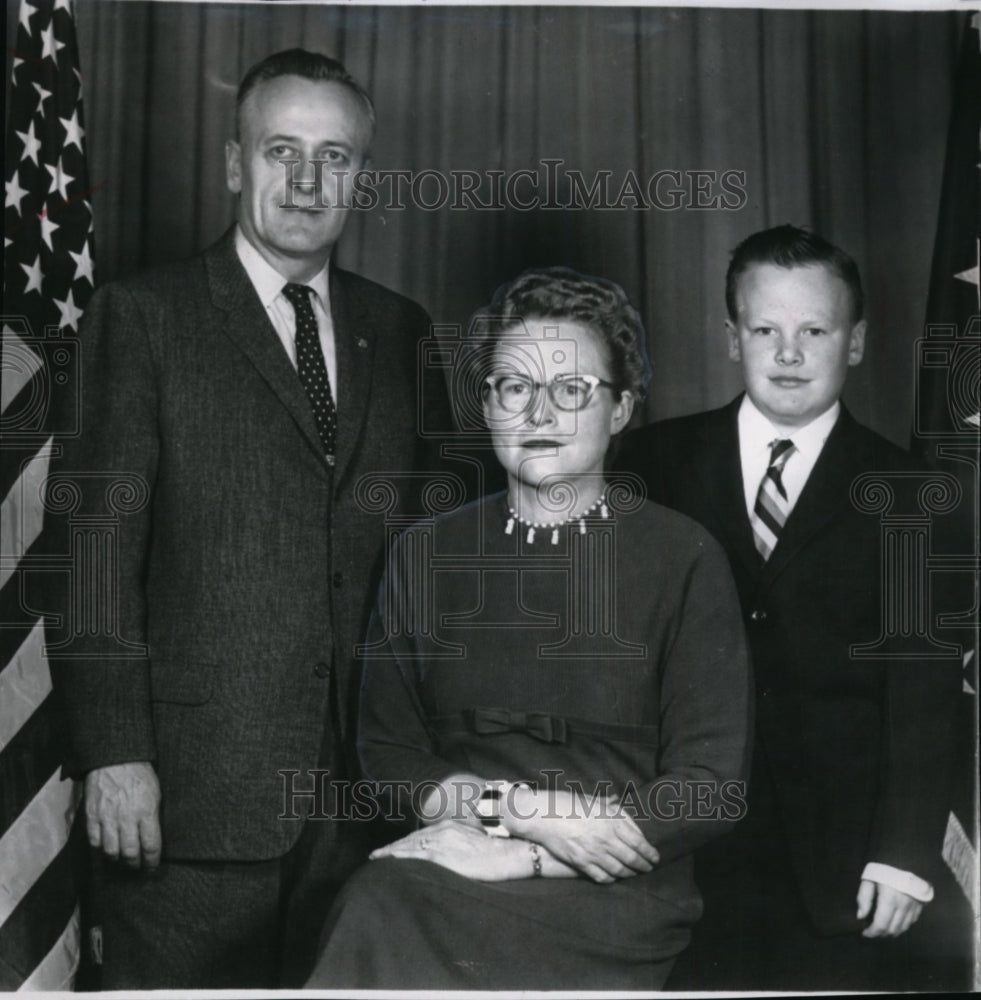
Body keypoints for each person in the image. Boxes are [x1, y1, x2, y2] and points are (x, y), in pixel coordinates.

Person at [45, 49, 448, 988]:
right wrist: (115, 756)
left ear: (360, 176)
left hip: (359, 803)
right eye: (281, 151)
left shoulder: (399, 330)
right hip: (188, 798)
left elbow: (434, 557)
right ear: (235, 165)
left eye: (334, 158)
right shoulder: (143, 319)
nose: (307, 183)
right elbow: (93, 558)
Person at [305, 267, 752, 991]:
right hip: (455, 861)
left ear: (621, 409)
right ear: (487, 405)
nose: (538, 414)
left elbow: (708, 787)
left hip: (617, 890)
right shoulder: (423, 552)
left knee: (381, 907)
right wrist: (513, 812)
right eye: (515, 387)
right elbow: (386, 756)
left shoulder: (684, 556)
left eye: (570, 390)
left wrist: (530, 853)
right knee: (377, 902)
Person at [616, 225, 964, 991]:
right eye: (764, 330)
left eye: (814, 331)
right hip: (678, 846)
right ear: (731, 337)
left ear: (857, 341)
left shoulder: (910, 492)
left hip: (839, 861)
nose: (788, 353)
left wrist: (903, 853)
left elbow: (922, 691)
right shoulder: (651, 463)